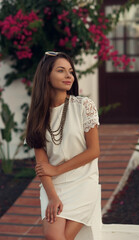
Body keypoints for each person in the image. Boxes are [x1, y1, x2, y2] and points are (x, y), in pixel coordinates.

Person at [26, 51, 102, 240]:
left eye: (70, 71)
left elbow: (94, 151)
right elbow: (42, 165)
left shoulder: (83, 106)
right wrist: (52, 196)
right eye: (61, 71)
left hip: (83, 181)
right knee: (53, 235)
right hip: (53, 185)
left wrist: (56, 169)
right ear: (47, 76)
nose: (69, 76)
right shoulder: (36, 116)